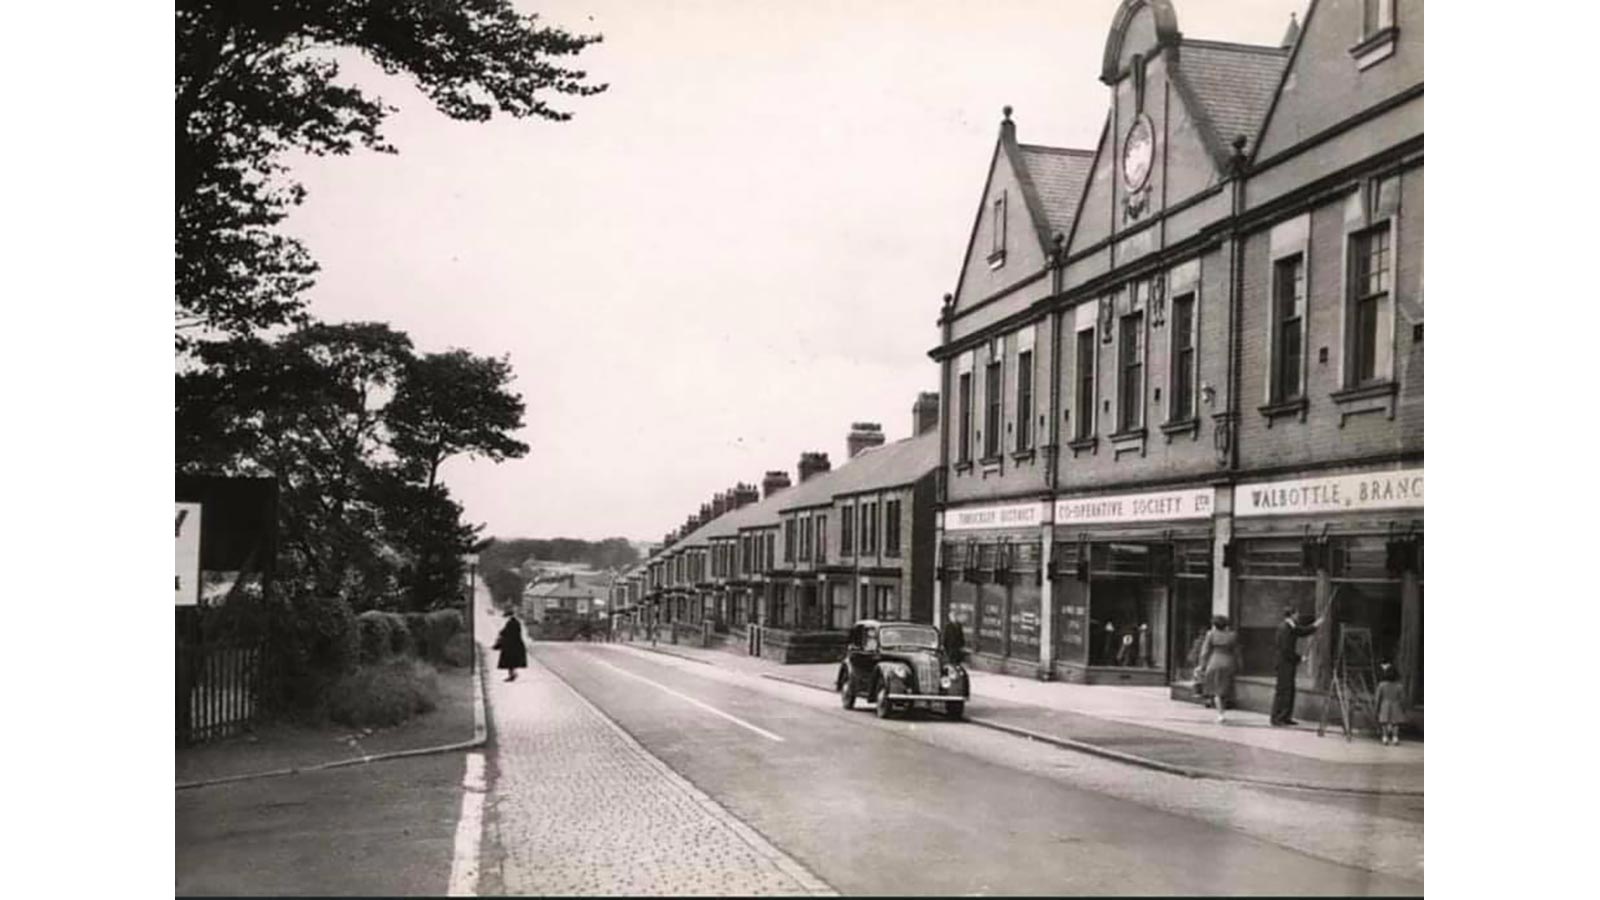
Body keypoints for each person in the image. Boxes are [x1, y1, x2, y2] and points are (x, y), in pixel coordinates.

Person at [1271, 606, 1326, 726]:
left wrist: (1316, 625)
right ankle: (1277, 718)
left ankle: (1285, 717)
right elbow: (1286, 650)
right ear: (1292, 615)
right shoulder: (1285, 628)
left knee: (1289, 690)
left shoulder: (1290, 626)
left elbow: (1301, 632)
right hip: (1284, 664)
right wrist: (1299, 658)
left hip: (1287, 663)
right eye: (1297, 614)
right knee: (1283, 691)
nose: (1298, 616)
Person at [1197, 615, 1240, 724]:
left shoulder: (1211, 635)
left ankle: (1220, 714)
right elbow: (1236, 652)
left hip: (1215, 662)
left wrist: (1201, 665)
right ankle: (1223, 710)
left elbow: (1205, 651)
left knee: (1217, 691)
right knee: (1225, 689)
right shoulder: (1232, 635)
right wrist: (1239, 664)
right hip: (1229, 662)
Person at [493, 608, 528, 682]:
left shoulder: (511, 622)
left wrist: (501, 634)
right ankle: (512, 674)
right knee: (511, 661)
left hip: (511, 645)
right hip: (514, 644)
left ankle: (512, 675)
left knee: (510, 661)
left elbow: (506, 632)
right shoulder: (515, 622)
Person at [1375, 663, 1406, 745]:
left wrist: (1377, 707)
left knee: (1384, 722)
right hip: (1396, 704)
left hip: (1385, 704)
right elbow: (1402, 698)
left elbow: (1378, 698)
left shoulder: (1381, 685)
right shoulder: (1399, 686)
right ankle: (1395, 738)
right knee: (1395, 723)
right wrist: (1403, 708)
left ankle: (1385, 738)